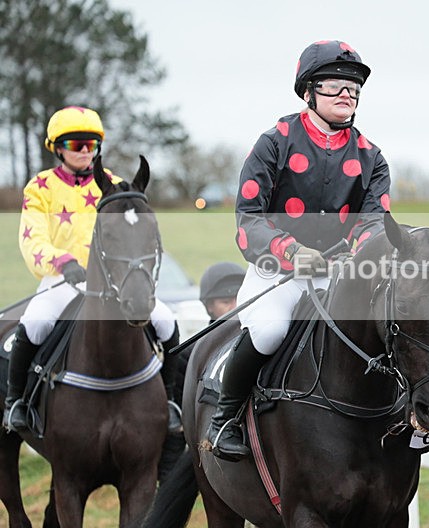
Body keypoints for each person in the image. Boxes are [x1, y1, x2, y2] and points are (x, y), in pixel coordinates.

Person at [207, 40, 391, 462]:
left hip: (339, 274)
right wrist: (291, 251)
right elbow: (247, 219)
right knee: (270, 330)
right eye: (335, 85)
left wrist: (355, 254)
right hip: (277, 271)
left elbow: (374, 225)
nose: (347, 93)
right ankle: (225, 419)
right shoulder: (274, 142)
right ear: (308, 91)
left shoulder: (372, 157)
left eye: (354, 88)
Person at [2, 106, 182, 434]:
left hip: (115, 282)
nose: (85, 151)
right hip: (63, 279)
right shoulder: (39, 187)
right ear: (58, 148)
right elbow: (32, 240)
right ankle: (16, 401)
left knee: (167, 322)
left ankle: (170, 401)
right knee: (36, 321)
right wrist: (63, 263)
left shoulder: (114, 184)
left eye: (91, 145)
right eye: (75, 145)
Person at [159, 261, 247, 481]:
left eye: (240, 299)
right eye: (226, 302)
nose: (235, 307)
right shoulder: (188, 355)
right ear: (208, 307)